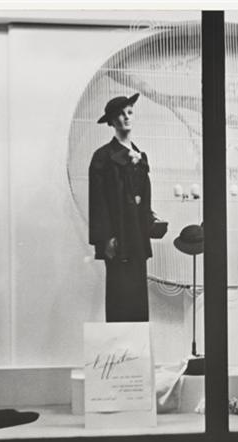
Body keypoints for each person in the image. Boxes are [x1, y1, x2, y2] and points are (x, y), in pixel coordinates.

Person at [88, 93, 164, 322]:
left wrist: (152, 221)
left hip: (137, 235)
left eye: (130, 112)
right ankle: (118, 344)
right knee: (119, 293)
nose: (126, 117)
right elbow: (98, 201)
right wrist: (105, 238)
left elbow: (142, 197)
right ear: (112, 121)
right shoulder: (103, 157)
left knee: (138, 293)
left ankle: (138, 343)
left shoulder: (139, 156)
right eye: (120, 114)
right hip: (117, 235)